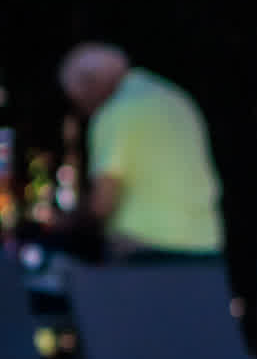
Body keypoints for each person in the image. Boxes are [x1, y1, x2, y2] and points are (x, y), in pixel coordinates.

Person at [55, 41, 225, 261]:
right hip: (207, 245)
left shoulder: (115, 112)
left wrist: (67, 223)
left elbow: (103, 202)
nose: (84, 112)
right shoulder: (176, 99)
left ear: (91, 84)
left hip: (144, 249)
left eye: (80, 102)